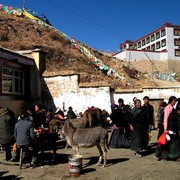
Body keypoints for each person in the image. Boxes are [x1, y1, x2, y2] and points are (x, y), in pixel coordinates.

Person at [155, 96, 180, 161]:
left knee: (175, 141)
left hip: (174, 127)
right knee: (166, 141)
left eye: (175, 101)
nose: (174, 102)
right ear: (170, 101)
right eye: (173, 101)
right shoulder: (167, 108)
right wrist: (165, 129)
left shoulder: (173, 108)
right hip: (169, 126)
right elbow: (165, 118)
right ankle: (163, 155)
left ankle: (176, 155)